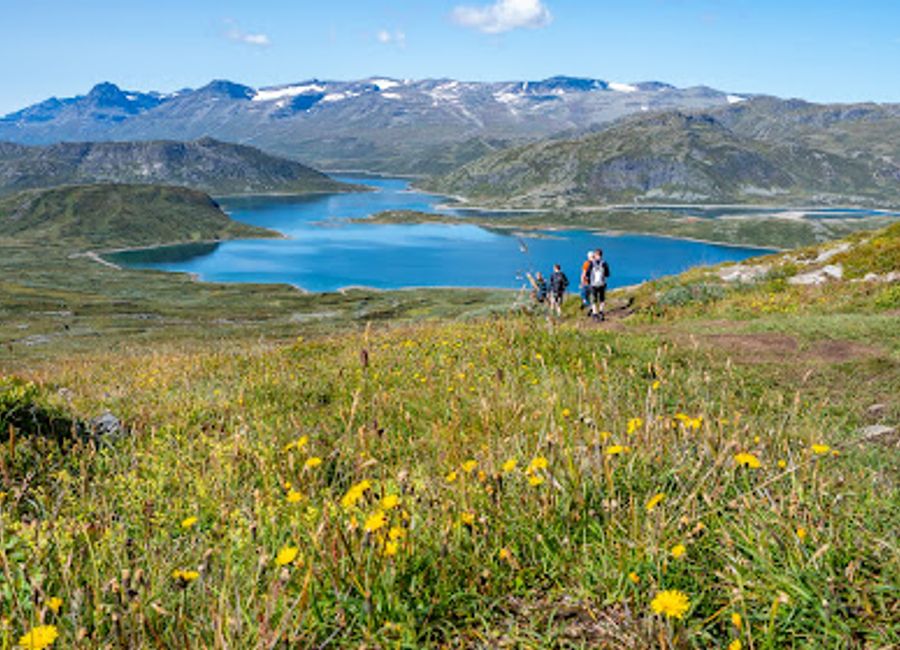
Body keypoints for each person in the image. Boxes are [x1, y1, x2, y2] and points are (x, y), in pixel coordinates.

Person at [588, 248, 611, 321]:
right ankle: (601, 312)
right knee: (602, 299)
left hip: (593, 284)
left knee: (593, 300)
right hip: (602, 284)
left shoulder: (591, 263)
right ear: (601, 255)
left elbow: (588, 274)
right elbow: (607, 274)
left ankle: (595, 314)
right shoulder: (604, 263)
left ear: (595, 255)